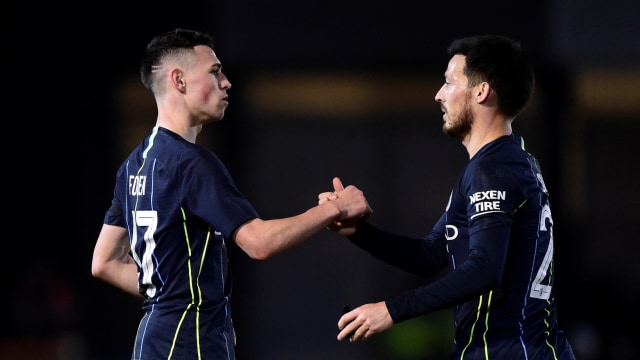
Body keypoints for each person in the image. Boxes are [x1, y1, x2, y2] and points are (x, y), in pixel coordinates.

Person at [91, 28, 369, 360]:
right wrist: (335, 209)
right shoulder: (191, 164)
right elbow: (259, 242)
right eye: (214, 71)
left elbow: (103, 263)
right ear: (178, 81)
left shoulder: (133, 165)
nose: (226, 82)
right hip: (188, 343)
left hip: (153, 338)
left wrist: (180, 299)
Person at [320, 34, 576, 359]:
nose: (439, 95)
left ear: (481, 92)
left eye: (449, 82)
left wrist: (391, 310)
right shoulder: (508, 162)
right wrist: (358, 232)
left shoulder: (493, 169)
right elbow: (434, 254)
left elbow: (484, 268)